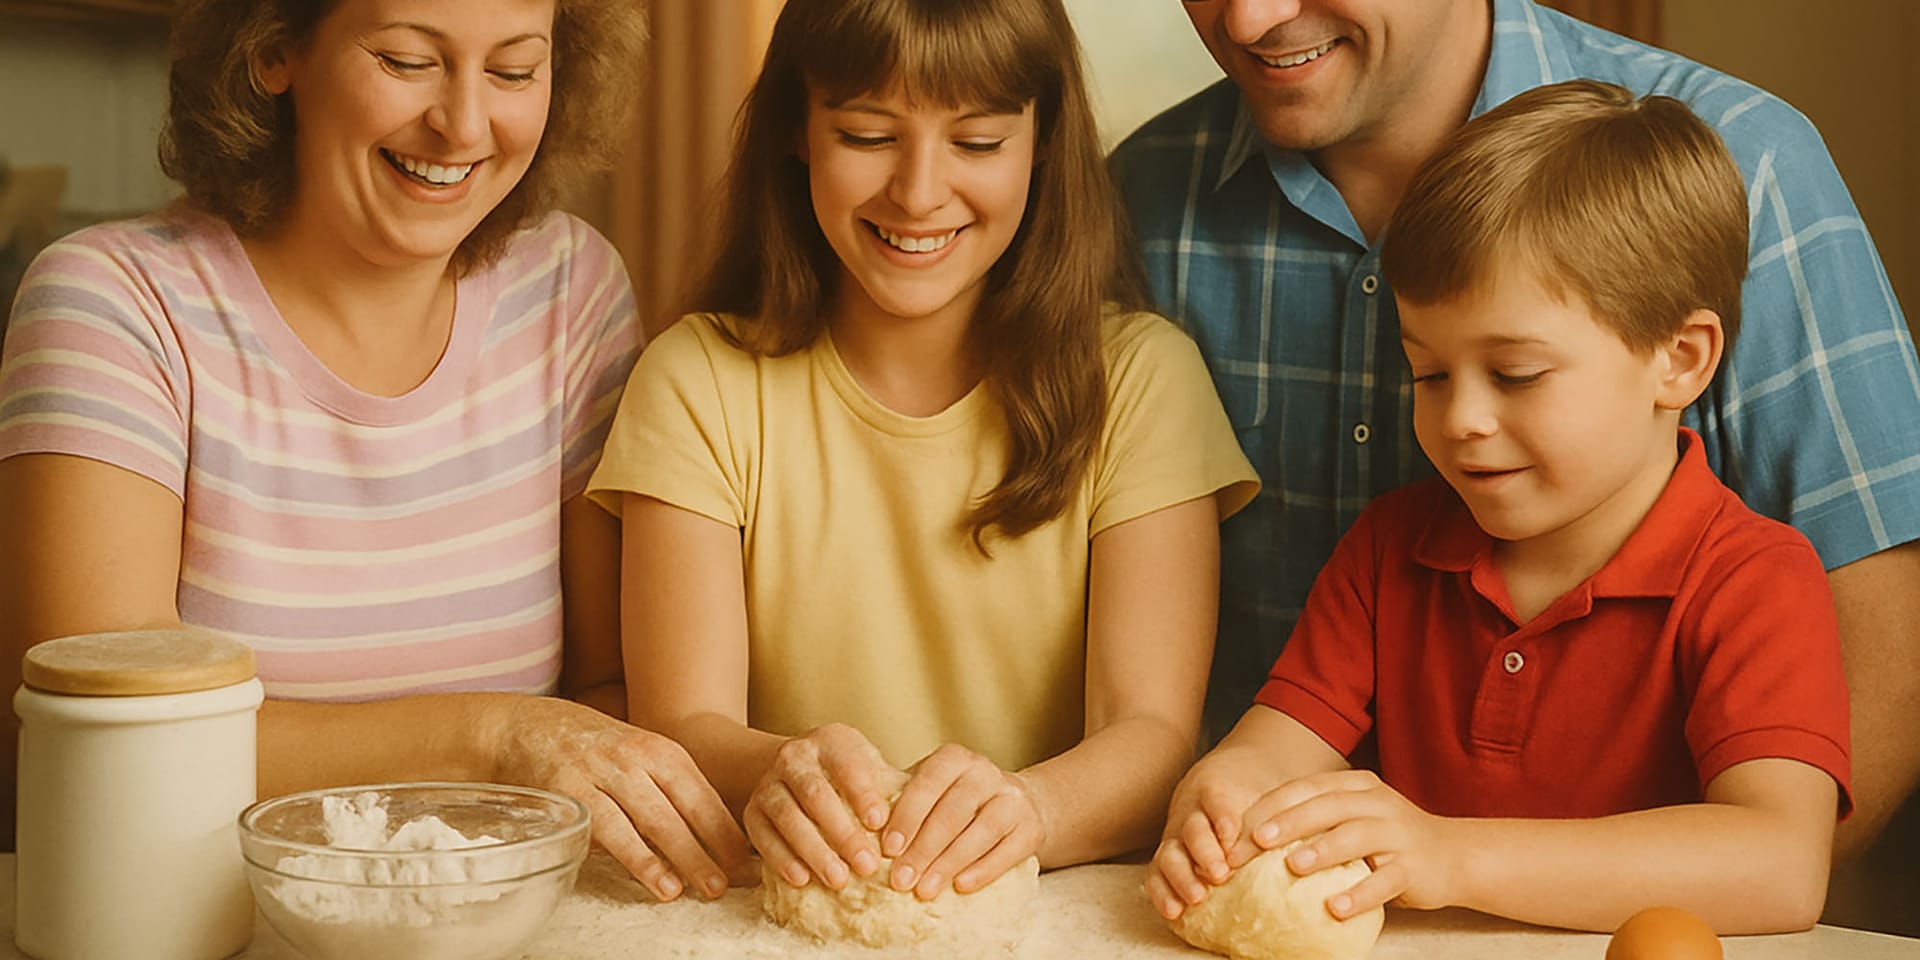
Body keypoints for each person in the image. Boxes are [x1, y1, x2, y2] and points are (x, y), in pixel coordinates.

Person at [1110, 0, 1920, 858]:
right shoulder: (1385, 551)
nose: (1249, 20)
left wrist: (1452, 862)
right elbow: (1262, 747)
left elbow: (1785, 845)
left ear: (1682, 359)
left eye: (1518, 375)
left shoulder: (1753, 161)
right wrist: (1223, 800)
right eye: (1426, 375)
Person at [0, 0, 753, 902]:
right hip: (193, 927)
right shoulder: (115, 302)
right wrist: (492, 740)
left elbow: (607, 692)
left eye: (512, 71)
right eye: (406, 61)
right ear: (275, 50)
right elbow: (105, 731)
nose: (463, 125)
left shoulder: (568, 289)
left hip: (490, 922)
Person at [586, 0, 1259, 902]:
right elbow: (683, 722)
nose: (917, 192)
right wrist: (779, 773)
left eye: (977, 143)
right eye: (868, 136)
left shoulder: (1143, 380)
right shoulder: (696, 379)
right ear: (796, 130)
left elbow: (1153, 735)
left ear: (1043, 142)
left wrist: (1032, 809)